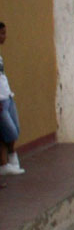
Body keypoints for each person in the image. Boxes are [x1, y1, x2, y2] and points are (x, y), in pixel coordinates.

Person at [0, 22, 23, 176]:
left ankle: (10, 159)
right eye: (2, 33)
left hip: (7, 96)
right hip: (0, 100)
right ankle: (4, 163)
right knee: (9, 132)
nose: (4, 36)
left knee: (15, 129)